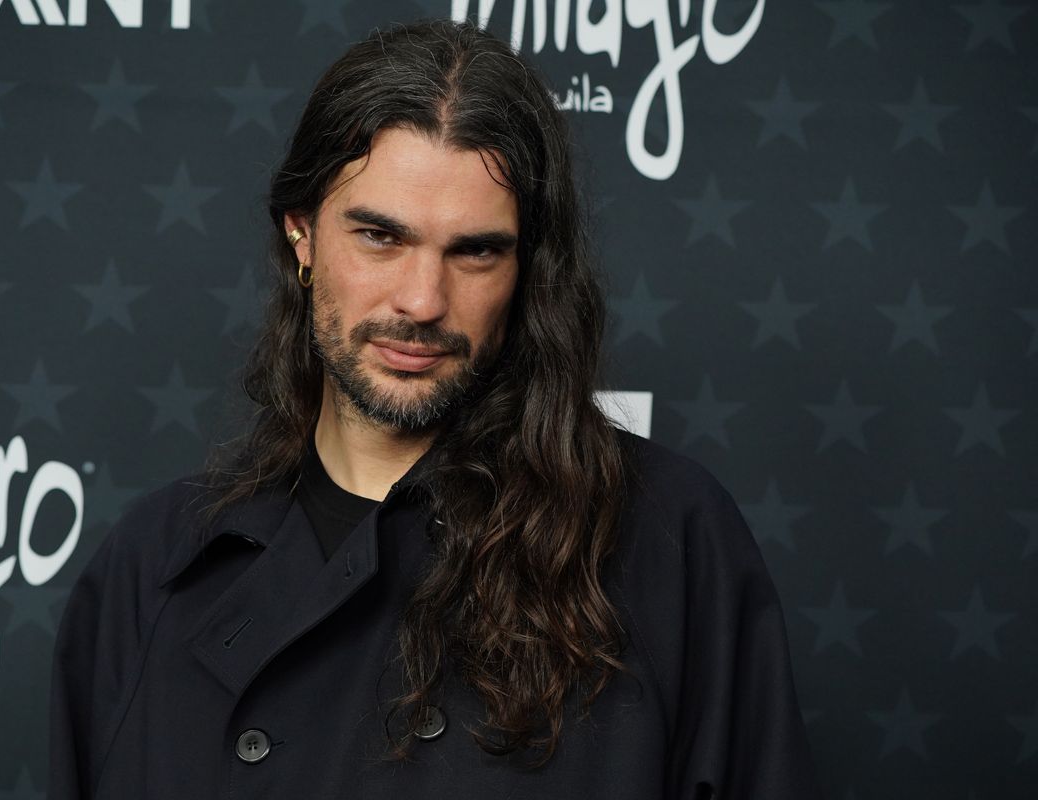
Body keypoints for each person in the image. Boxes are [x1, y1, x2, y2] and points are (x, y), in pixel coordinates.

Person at [48, 18, 822, 800]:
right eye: (380, 237)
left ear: (528, 269)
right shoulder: (153, 567)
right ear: (302, 235)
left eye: (475, 251)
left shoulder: (667, 542)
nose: (422, 301)